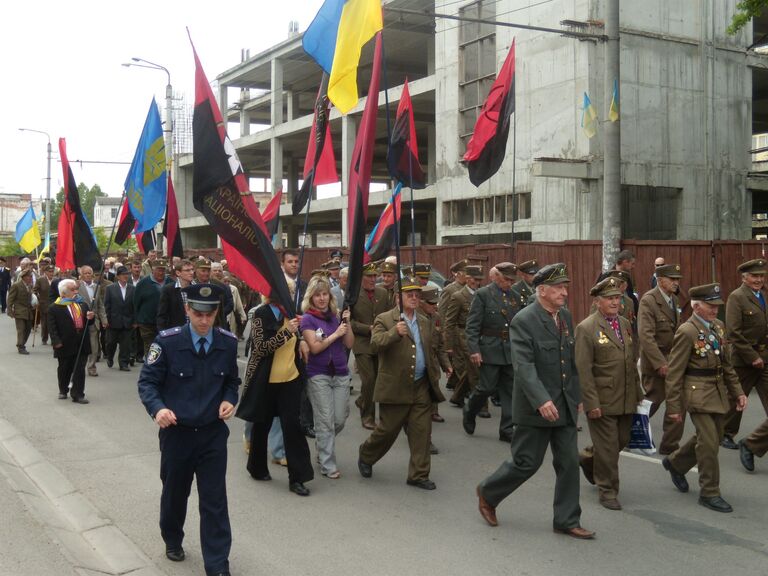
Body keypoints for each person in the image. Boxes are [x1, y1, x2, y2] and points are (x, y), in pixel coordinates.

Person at [475, 263, 594, 539]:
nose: (564, 292)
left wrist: (576, 396)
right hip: (535, 407)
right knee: (526, 462)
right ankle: (489, 492)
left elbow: (569, 361)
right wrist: (541, 400)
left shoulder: (564, 316)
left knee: (568, 464)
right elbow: (524, 366)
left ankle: (566, 519)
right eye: (558, 288)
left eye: (565, 287)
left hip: (563, 404)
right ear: (542, 291)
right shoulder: (524, 320)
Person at [138, 283, 239, 576]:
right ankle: (172, 537)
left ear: (217, 312)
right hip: (177, 434)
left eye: (209, 315)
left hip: (212, 435)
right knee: (174, 494)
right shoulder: (166, 342)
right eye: (197, 314)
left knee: (214, 501)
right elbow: (147, 383)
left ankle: (218, 565)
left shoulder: (227, 342)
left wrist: (229, 400)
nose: (204, 321)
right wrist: (158, 409)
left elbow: (232, 382)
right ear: (187, 310)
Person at [662, 283, 747, 513]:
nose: (715, 309)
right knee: (709, 443)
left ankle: (675, 463)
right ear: (696, 306)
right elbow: (674, 373)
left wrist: (738, 391)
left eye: (717, 305)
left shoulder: (718, 327)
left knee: (714, 436)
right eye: (710, 305)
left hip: (718, 391)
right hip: (696, 393)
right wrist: (674, 407)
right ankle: (709, 492)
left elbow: (727, 365)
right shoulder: (687, 331)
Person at [357, 278, 449, 490]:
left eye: (417, 294)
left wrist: (440, 369)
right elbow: (374, 344)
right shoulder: (385, 319)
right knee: (387, 431)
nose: (415, 298)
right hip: (395, 386)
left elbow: (431, 349)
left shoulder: (425, 321)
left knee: (421, 432)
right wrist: (393, 334)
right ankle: (367, 455)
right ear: (398, 297)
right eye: (410, 294)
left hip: (420, 386)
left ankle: (418, 474)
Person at [237, 280, 314, 496]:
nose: (287, 293)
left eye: (289, 291)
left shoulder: (292, 312)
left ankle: (297, 478)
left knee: (293, 428)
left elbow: (298, 338)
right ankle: (257, 468)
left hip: (290, 379)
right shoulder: (260, 313)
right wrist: (286, 332)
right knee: (262, 425)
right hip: (265, 380)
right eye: (282, 290)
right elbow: (260, 348)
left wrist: (302, 341)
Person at [575, 277, 642, 510]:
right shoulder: (586, 328)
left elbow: (630, 361)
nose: (615, 302)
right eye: (610, 298)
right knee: (609, 448)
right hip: (602, 399)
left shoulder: (624, 323)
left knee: (621, 440)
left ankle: (588, 457)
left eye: (617, 298)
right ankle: (608, 490)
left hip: (626, 395)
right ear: (597, 301)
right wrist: (590, 402)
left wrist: (639, 392)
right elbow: (583, 369)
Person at [300, 275, 354, 478]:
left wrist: (347, 324)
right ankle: (327, 464)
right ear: (311, 298)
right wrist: (336, 334)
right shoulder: (308, 319)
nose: (322, 298)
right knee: (324, 421)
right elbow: (314, 347)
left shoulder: (336, 316)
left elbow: (349, 344)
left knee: (338, 420)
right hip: (318, 374)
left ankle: (323, 445)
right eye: (317, 295)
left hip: (340, 373)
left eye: (324, 294)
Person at [463, 262, 519, 442]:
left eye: (512, 280)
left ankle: (507, 429)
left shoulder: (515, 297)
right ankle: (470, 410)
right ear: (497, 277)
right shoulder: (483, 295)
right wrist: (474, 350)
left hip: (510, 350)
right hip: (490, 348)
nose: (509, 283)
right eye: (506, 279)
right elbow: (472, 325)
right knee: (486, 387)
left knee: (510, 391)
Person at [637, 263, 684, 454]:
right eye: (672, 279)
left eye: (677, 279)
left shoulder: (673, 300)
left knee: (679, 402)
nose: (676, 283)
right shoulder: (649, 300)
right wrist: (659, 363)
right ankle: (629, 433)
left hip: (673, 360)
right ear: (660, 280)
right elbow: (646, 336)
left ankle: (669, 445)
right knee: (652, 402)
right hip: (656, 363)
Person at [722, 259, 768, 449]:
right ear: (744, 278)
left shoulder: (763, 296)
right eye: (754, 276)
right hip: (744, 360)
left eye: (761, 276)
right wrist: (752, 357)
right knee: (736, 400)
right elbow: (733, 332)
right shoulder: (737, 297)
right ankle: (725, 433)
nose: (758, 279)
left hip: (765, 359)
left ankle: (753, 444)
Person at [351, 262, 392, 429]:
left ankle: (362, 400)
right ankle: (368, 417)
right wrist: (366, 328)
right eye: (369, 276)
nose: (373, 279)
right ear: (361, 277)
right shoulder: (353, 294)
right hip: (362, 343)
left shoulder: (382, 293)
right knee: (368, 380)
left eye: (375, 276)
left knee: (378, 380)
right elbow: (347, 321)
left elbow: (390, 315)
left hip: (380, 343)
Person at [48, 278, 95, 403]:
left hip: (81, 341)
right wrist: (56, 341)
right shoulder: (55, 307)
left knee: (79, 368)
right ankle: (63, 389)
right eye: (72, 289)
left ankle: (78, 394)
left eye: (76, 289)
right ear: (63, 293)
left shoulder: (82, 304)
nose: (76, 292)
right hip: (64, 343)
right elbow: (52, 328)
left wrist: (91, 317)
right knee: (65, 368)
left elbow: (89, 322)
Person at [444, 265, 484, 408]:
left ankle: (458, 396)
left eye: (479, 279)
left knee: (471, 369)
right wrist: (448, 345)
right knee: (476, 369)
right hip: (463, 335)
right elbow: (449, 321)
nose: (476, 282)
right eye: (474, 279)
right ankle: (480, 406)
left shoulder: (481, 294)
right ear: (467, 279)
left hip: (480, 335)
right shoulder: (458, 296)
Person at [134, 259, 172, 359]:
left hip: (166, 322)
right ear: (152, 270)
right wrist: (136, 319)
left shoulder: (171, 282)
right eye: (158, 270)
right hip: (147, 323)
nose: (161, 272)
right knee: (151, 348)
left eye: (163, 270)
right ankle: (150, 370)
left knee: (165, 348)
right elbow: (136, 302)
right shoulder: (143, 284)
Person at [78, 265, 108, 377]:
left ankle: (91, 367)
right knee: (80, 346)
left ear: (92, 275)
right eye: (85, 273)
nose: (87, 275)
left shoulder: (97, 287)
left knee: (94, 346)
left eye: (89, 273)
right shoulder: (77, 286)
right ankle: (79, 366)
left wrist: (104, 319)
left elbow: (100, 305)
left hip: (94, 321)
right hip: (80, 320)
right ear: (81, 275)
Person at [104, 266, 136, 371]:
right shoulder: (110, 288)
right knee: (111, 342)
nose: (125, 276)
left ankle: (123, 363)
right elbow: (107, 305)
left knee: (125, 344)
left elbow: (135, 306)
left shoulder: (132, 288)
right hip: (113, 320)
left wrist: (135, 320)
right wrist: (106, 320)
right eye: (123, 274)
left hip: (127, 321)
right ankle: (110, 356)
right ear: (118, 276)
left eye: (127, 274)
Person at [157, 259, 195, 331]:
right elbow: (162, 315)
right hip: (176, 332)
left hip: (195, 332)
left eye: (192, 270)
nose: (191, 272)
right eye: (187, 270)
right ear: (178, 273)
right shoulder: (168, 290)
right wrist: (163, 334)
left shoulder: (197, 288)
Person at [7, 268, 37, 354]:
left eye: (31, 276)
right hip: (19, 311)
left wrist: (34, 302)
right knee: (21, 329)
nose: (30, 278)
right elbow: (10, 299)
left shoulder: (30, 285)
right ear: (23, 277)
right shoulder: (16, 285)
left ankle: (22, 343)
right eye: (29, 276)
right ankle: (20, 346)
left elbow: (30, 298)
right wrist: (10, 311)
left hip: (28, 311)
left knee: (27, 329)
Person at [34, 265, 54, 345]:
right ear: (45, 272)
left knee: (53, 323)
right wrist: (36, 299)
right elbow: (35, 290)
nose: (51, 273)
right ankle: (44, 338)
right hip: (44, 305)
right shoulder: (40, 280)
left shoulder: (56, 280)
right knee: (45, 323)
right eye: (49, 271)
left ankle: (54, 339)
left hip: (54, 305)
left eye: (52, 271)